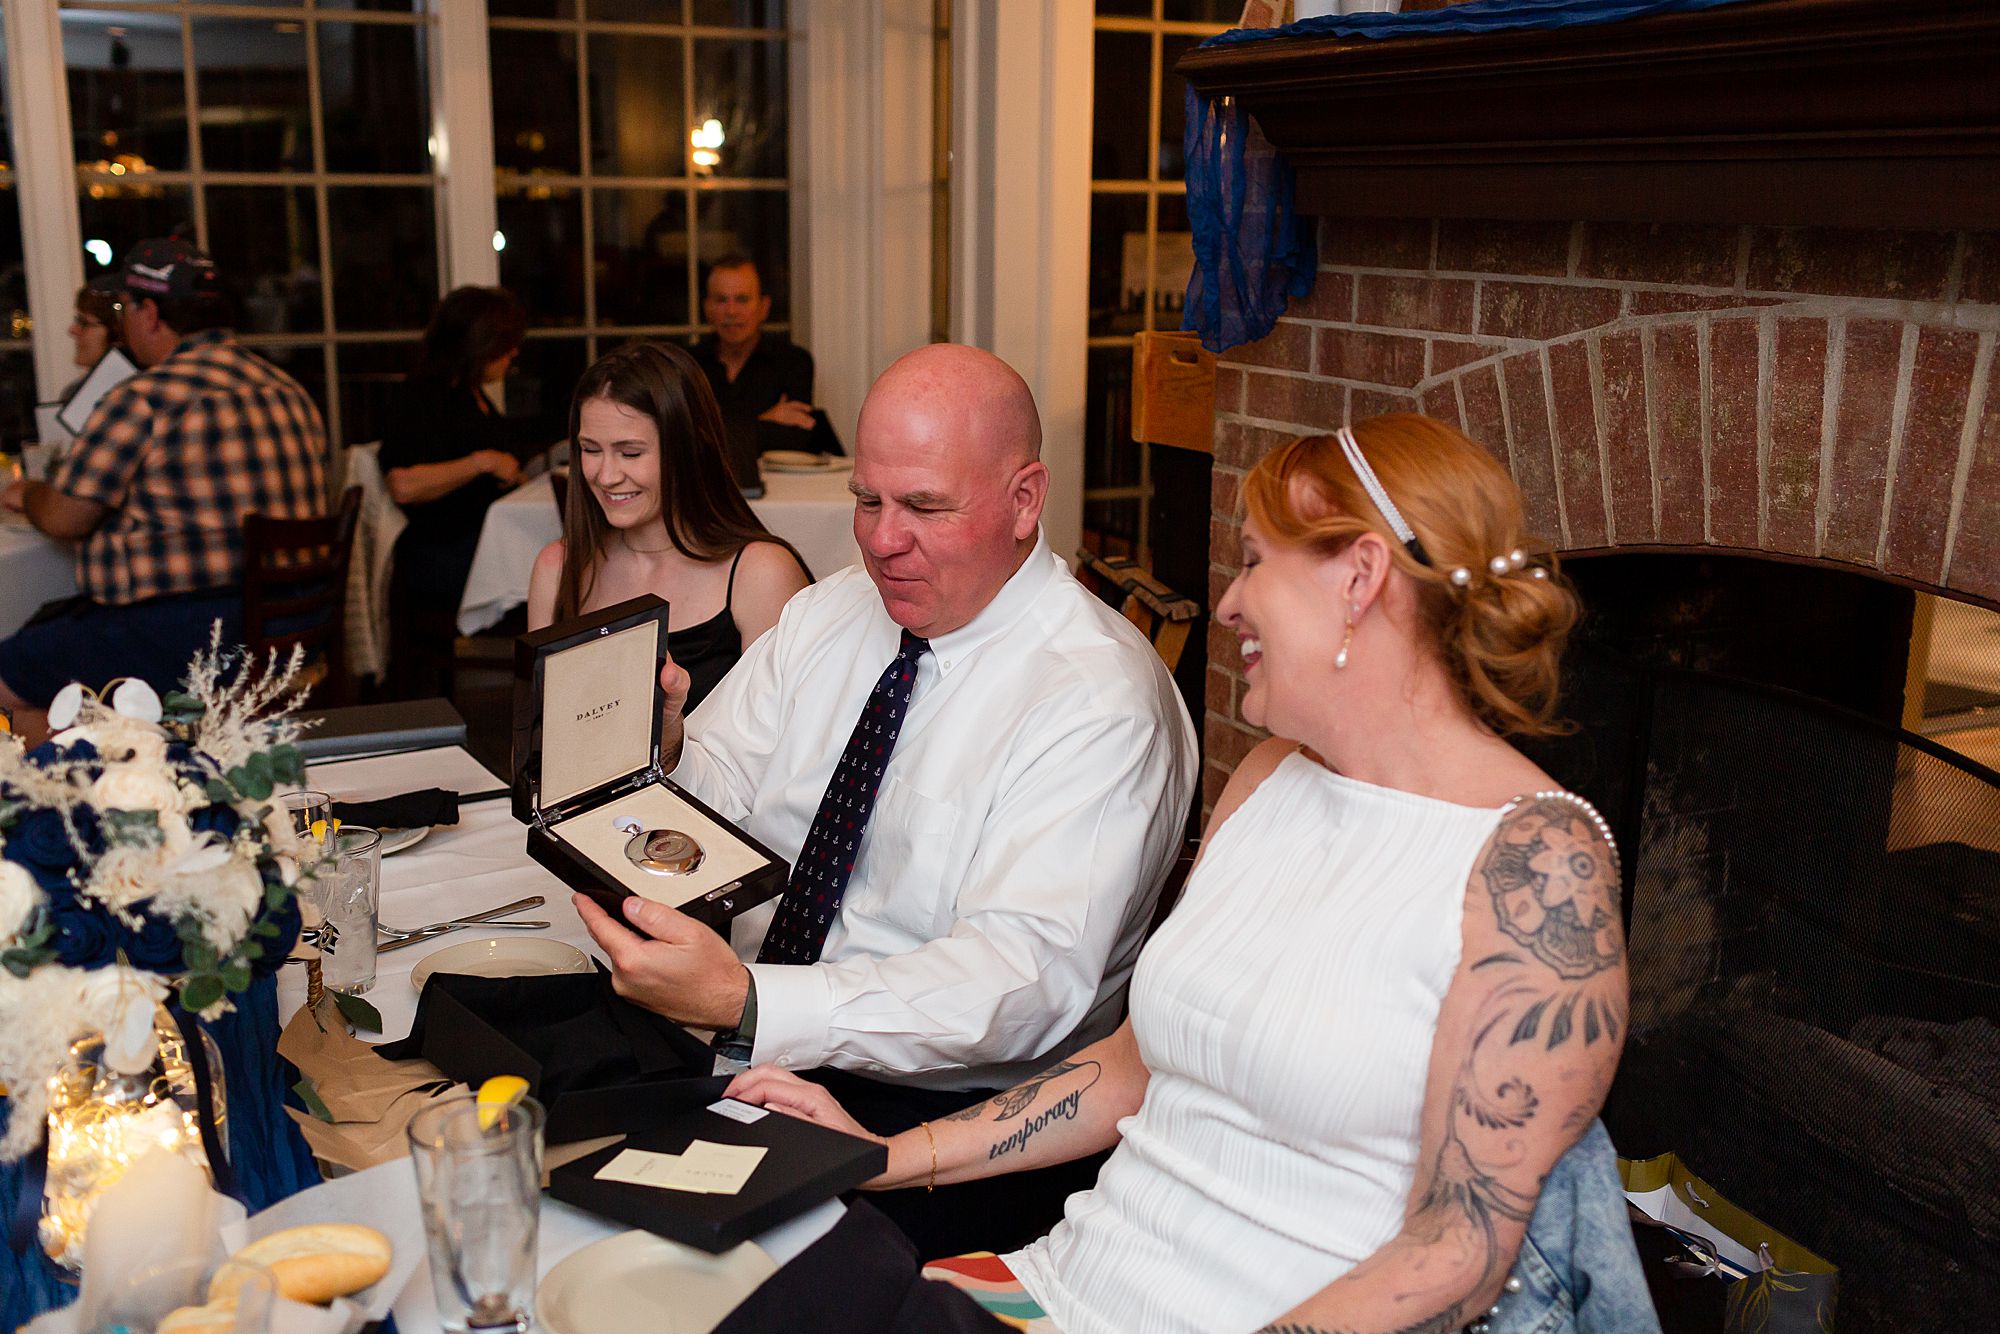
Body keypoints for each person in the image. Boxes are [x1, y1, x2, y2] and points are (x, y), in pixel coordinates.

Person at [721, 414, 1647, 1334]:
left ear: (1359, 578)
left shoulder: (1539, 866)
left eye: (1253, 561)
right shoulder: (1269, 775)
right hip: (1062, 1282)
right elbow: (1130, 1071)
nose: (1231, 603)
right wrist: (884, 1155)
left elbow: (1461, 1250)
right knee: (729, 1284)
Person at [574, 343, 1198, 1254]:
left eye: (924, 508)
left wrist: (752, 1001)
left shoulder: (1096, 699)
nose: (879, 539)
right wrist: (657, 755)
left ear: (1026, 500)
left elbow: (1020, 980)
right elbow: (717, 800)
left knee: (685, 1281)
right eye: (867, 500)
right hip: (739, 1039)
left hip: (946, 1118)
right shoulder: (831, 614)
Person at [0, 238, 326, 741]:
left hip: (189, 639)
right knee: (51, 657)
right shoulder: (289, 391)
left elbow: (65, 518)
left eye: (126, 308)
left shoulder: (145, 399)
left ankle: (99, 783)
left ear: (149, 313)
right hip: (289, 634)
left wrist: (30, 493)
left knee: (13, 676)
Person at [525, 341, 811, 710]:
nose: (606, 475)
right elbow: (541, 734)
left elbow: (784, 746)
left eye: (630, 453)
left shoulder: (759, 573)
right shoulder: (558, 567)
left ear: (689, 449)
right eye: (590, 450)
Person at [379, 286, 555, 699]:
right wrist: (481, 462)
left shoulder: (473, 394)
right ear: (480, 343)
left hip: (471, 543)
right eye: (506, 345)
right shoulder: (422, 397)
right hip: (439, 554)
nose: (513, 355)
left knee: (562, 559)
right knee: (558, 570)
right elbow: (402, 484)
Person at [688, 254, 837, 456]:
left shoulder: (793, 362)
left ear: (763, 307)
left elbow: (796, 438)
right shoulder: (688, 365)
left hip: (780, 485)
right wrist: (765, 421)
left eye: (742, 299)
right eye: (721, 300)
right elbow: (686, 442)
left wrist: (718, 432)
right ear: (707, 308)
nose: (731, 311)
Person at [61, 275, 126, 397]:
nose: (72, 330)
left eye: (84, 323)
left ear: (117, 333)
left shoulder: (139, 393)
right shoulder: (75, 392)